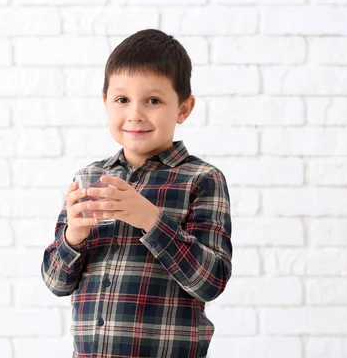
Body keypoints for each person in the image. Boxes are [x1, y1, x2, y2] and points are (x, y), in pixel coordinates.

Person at [41, 29, 233, 358]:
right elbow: (56, 283)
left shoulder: (201, 180)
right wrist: (73, 236)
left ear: (183, 109)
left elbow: (210, 282)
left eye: (153, 100)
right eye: (122, 100)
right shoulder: (88, 178)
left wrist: (150, 219)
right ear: (105, 103)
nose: (135, 114)